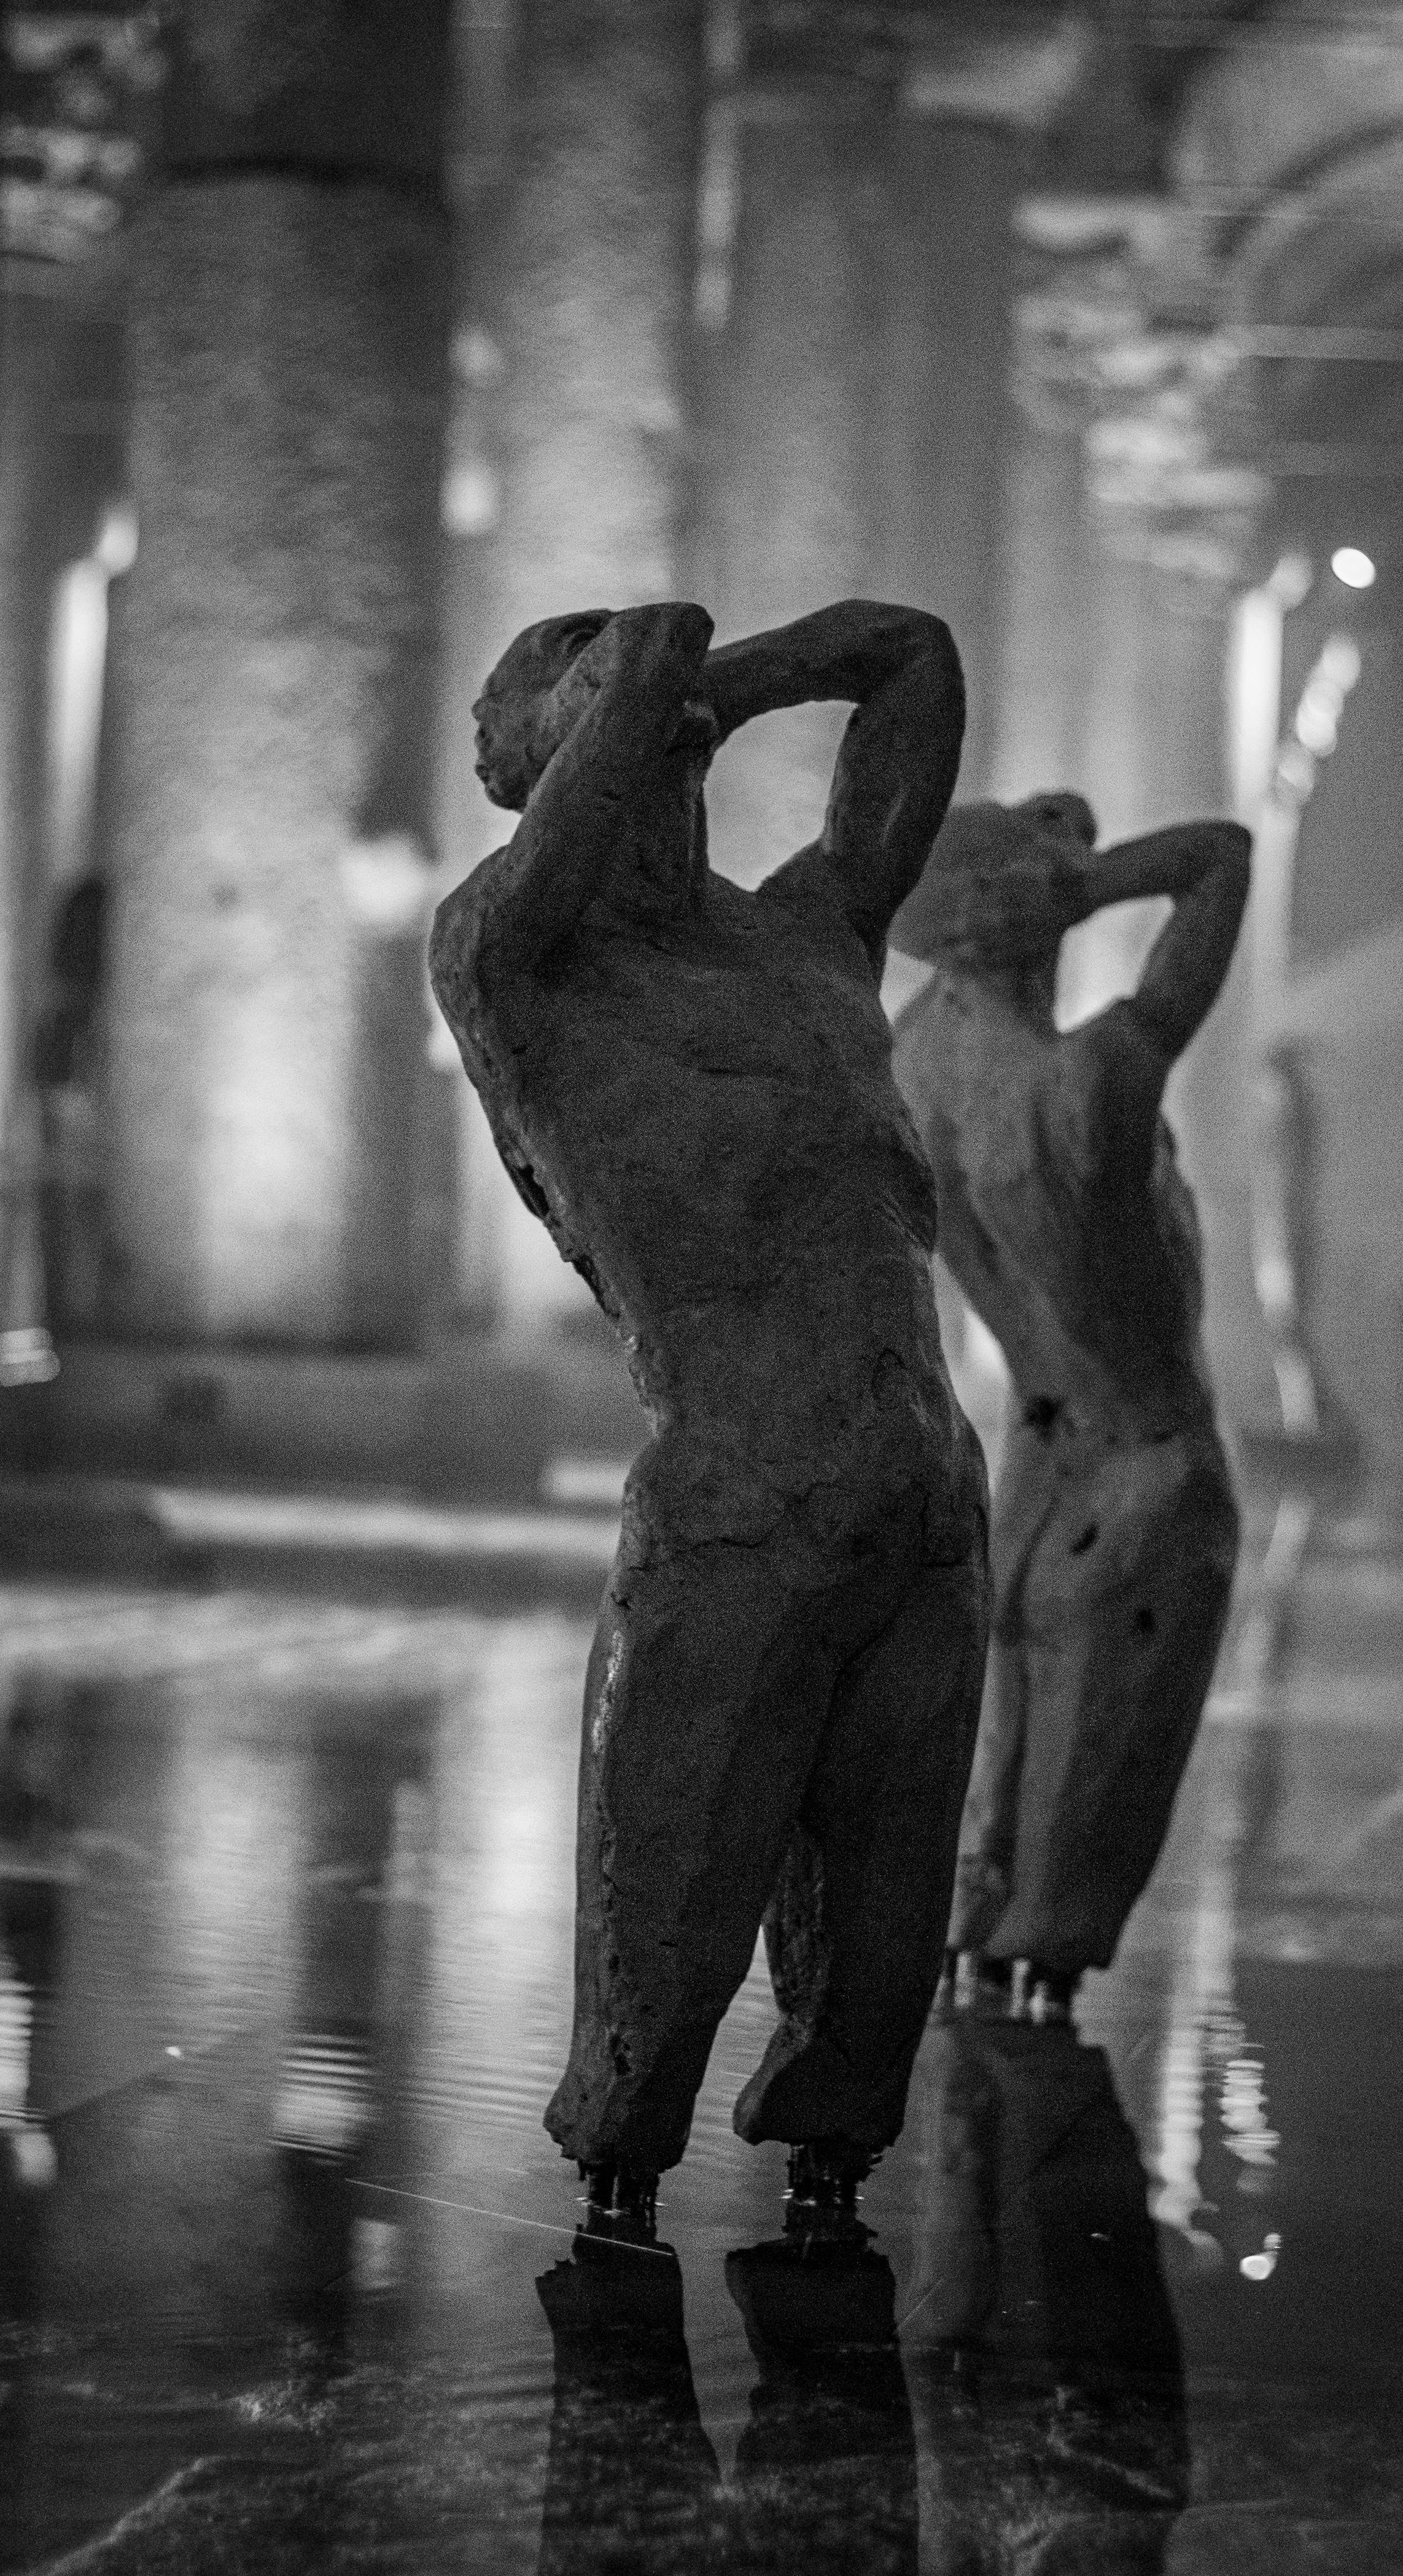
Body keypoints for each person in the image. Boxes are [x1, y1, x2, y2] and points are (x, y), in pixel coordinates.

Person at [429, 600, 989, 2226]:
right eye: (605, 700)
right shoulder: (515, 960)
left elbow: (909, 655)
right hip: (741, 1496)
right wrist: (654, 690)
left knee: (882, 1934)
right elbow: (663, 634)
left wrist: (705, 696)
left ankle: (835, 2144)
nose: (656, 700)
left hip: (925, 1501)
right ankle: (619, 2166)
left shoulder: (808, 937)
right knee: (666, 1923)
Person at [890, 793, 1248, 2018]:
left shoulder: (912, 1069)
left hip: (1036, 1456)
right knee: (1094, 1755)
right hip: (1149, 1450)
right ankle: (1043, 1950)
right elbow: (1220, 859)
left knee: (1008, 1734)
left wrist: (993, 889)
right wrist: (1080, 887)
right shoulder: (1087, 1087)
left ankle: (977, 1926)